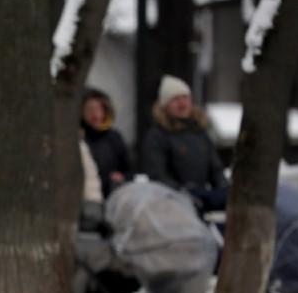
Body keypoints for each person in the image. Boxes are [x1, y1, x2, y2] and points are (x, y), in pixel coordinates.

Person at [143, 75, 228, 212]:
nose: (182, 104)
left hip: (203, 199)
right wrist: (183, 193)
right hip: (173, 204)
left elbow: (216, 169)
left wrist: (223, 189)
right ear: (165, 105)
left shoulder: (200, 132)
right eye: (176, 100)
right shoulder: (157, 136)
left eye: (185, 98)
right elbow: (157, 174)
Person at [80, 88, 134, 199]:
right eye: (90, 109)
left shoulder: (114, 137)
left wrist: (121, 177)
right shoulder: (80, 139)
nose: (95, 114)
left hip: (115, 194)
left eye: (99, 109)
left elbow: (130, 169)